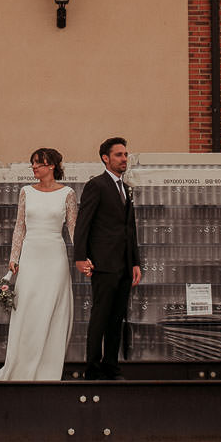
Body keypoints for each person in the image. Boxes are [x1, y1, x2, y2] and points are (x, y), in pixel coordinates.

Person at [0, 148, 79, 381]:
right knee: (28, 310)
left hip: (55, 256)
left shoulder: (67, 193)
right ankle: (22, 365)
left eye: (38, 163)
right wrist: (13, 259)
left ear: (51, 166)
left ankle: (48, 370)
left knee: (53, 309)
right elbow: (20, 226)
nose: (34, 167)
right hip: (30, 255)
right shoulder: (26, 191)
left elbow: (73, 229)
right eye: (33, 164)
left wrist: (83, 255)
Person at [73, 136, 141, 379]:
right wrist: (80, 257)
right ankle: (92, 368)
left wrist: (135, 262)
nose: (124, 159)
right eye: (119, 155)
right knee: (100, 315)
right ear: (106, 158)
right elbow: (84, 224)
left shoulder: (126, 188)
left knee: (117, 317)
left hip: (124, 263)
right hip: (103, 263)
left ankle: (112, 367)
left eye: (125, 154)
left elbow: (129, 228)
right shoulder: (97, 185)